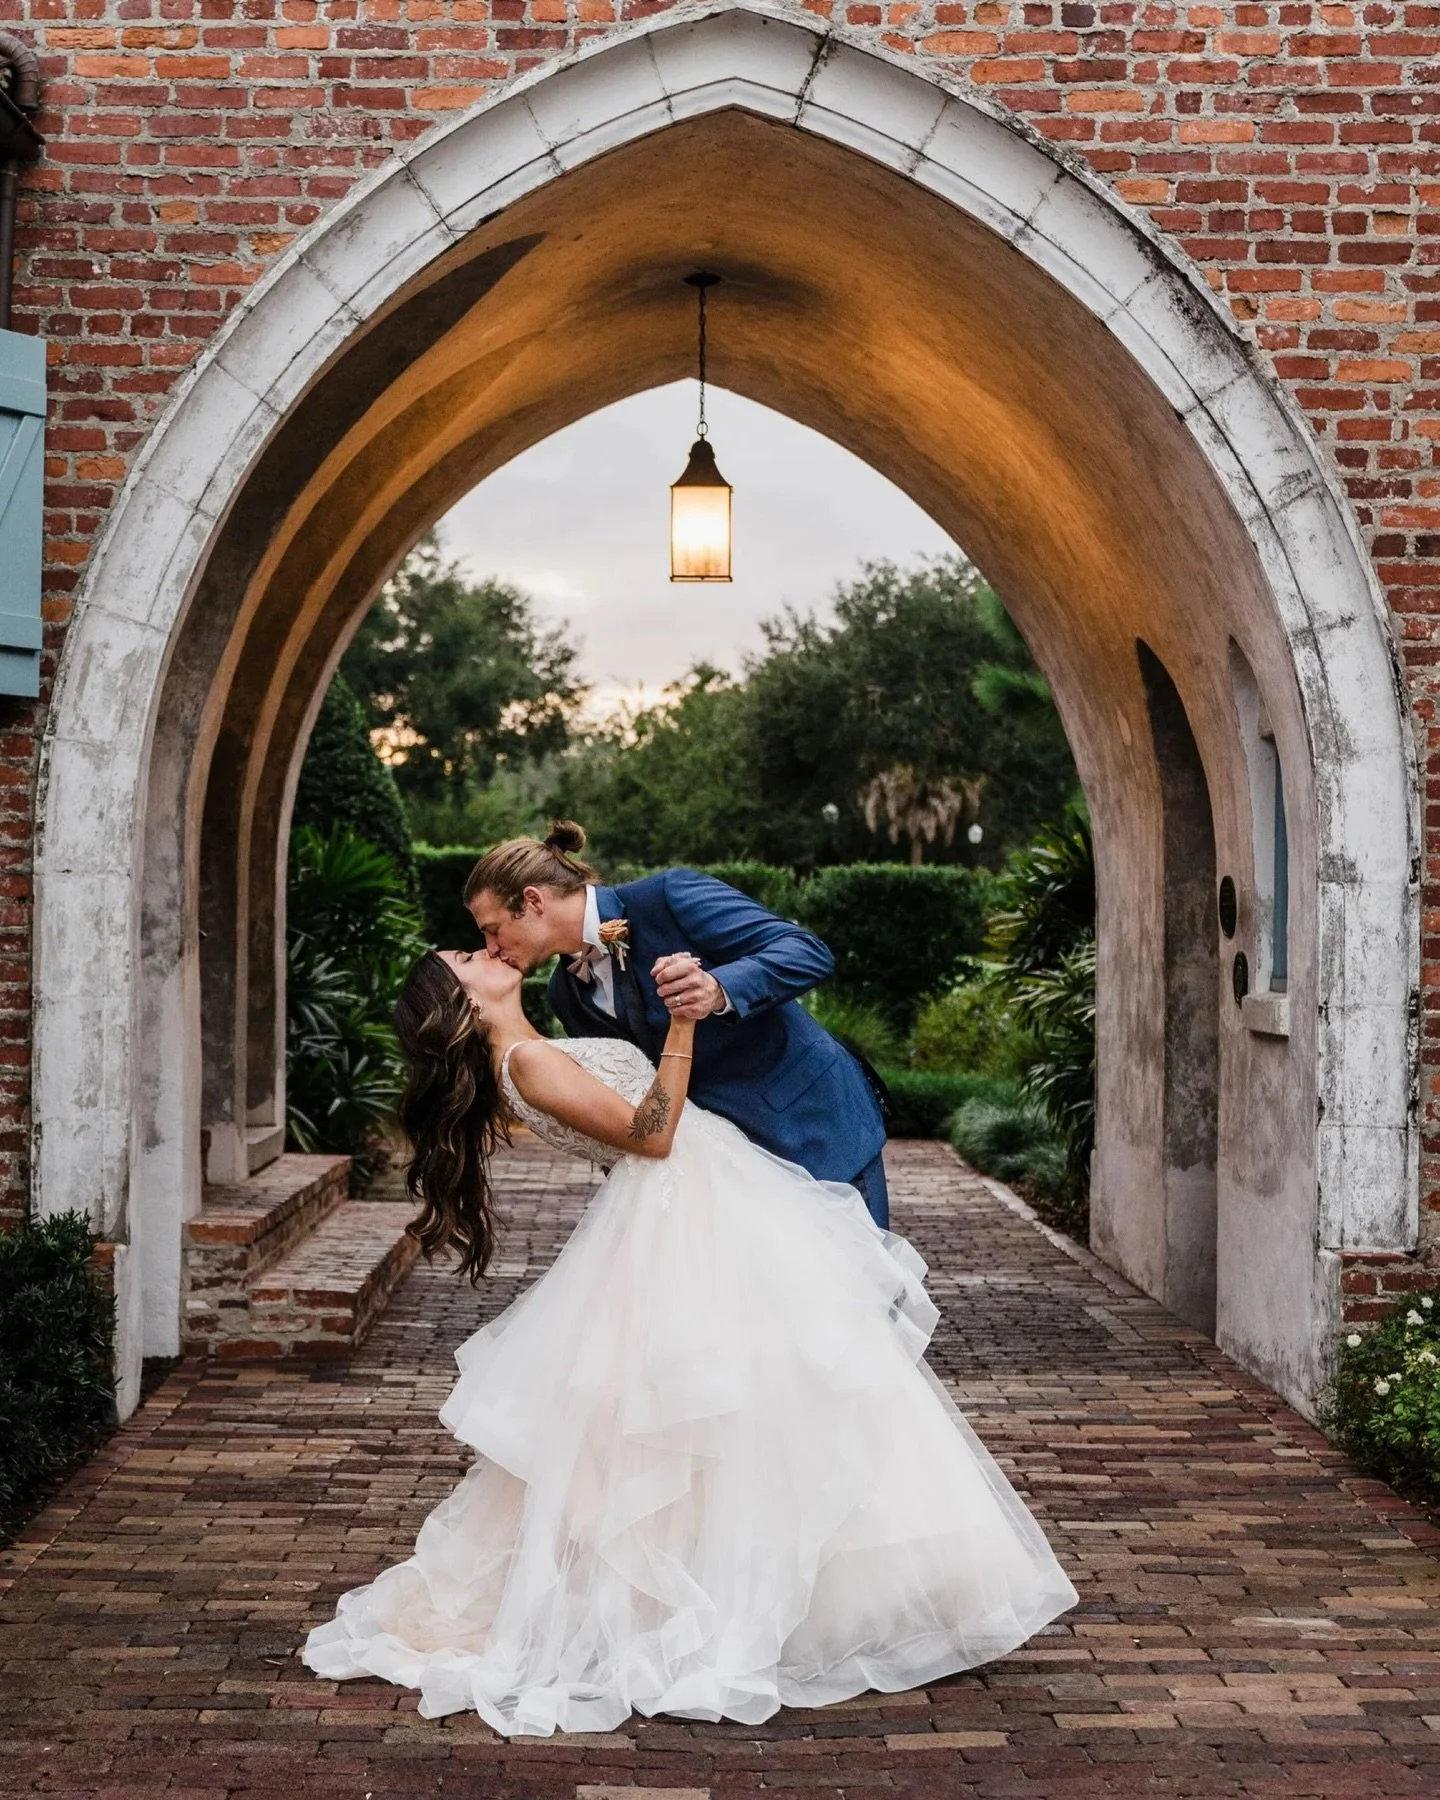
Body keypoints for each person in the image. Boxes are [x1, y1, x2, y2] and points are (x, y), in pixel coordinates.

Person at [300, 941, 1079, 1737]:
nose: (485, 947)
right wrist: (682, 1025)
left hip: (704, 1205)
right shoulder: (526, 1061)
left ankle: (816, 1589)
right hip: (683, 1210)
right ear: (460, 999)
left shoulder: (536, 1044)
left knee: (776, 1393)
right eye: (465, 955)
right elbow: (652, 1133)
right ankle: (720, 1604)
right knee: (724, 1408)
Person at [462, 822, 893, 1228]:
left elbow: (806, 951)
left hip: (815, 1129)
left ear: (533, 901)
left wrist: (717, 988)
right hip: (727, 1170)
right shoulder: (566, 994)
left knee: (862, 1300)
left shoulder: (669, 896)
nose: (491, 948)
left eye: (493, 930)